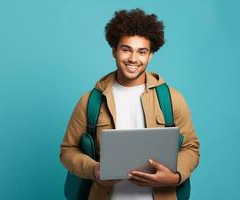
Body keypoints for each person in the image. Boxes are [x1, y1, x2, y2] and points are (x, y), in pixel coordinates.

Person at [60, 8, 200, 200]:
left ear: (150, 55)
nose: (133, 58)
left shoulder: (172, 99)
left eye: (142, 51)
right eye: (126, 49)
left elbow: (191, 147)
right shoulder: (90, 101)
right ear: (114, 50)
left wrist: (174, 177)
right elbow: (67, 151)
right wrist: (94, 170)